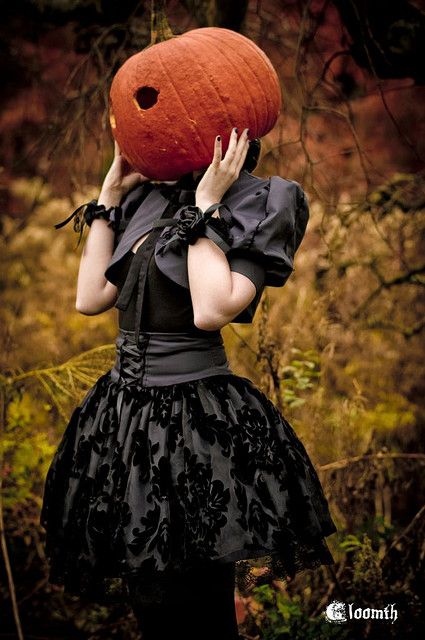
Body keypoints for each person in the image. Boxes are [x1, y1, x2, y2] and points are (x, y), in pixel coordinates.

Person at [40, 127, 337, 639]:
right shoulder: (147, 200)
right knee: (149, 600)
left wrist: (204, 206)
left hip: (194, 426)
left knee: (196, 603)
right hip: (122, 420)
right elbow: (89, 298)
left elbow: (210, 309)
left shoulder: (258, 203)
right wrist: (110, 196)